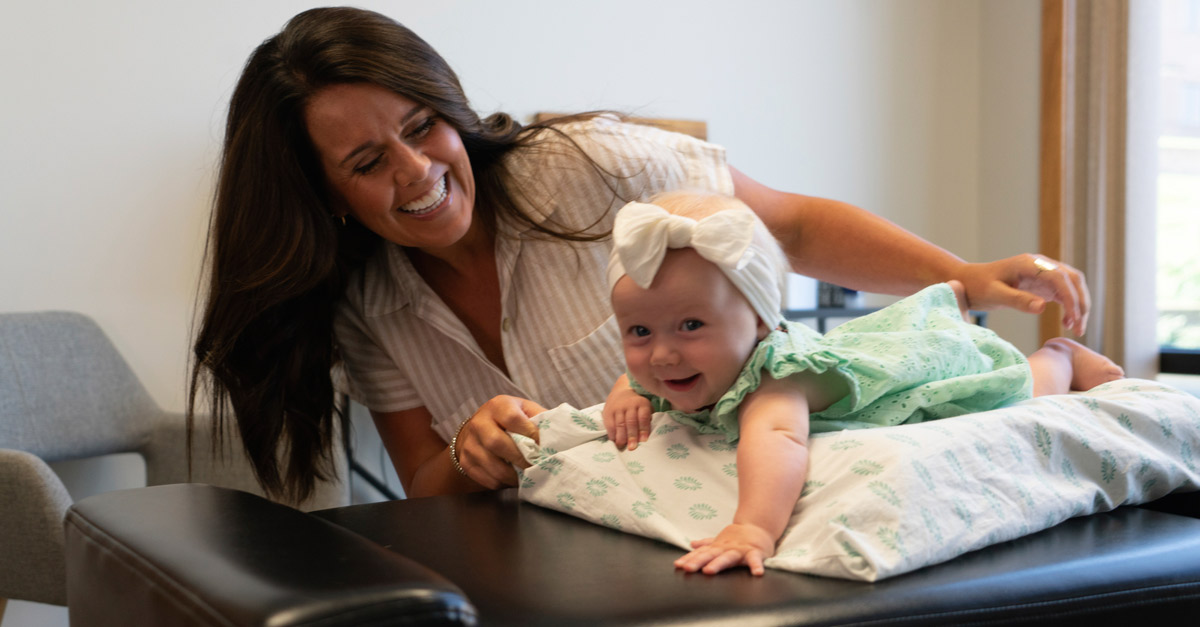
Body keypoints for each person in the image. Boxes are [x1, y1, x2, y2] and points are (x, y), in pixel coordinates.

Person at [189, 6, 1092, 504]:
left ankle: (1059, 366)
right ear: (325, 195)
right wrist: (470, 453)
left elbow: (795, 230)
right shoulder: (366, 305)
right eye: (367, 163)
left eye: (423, 126)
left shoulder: (591, 166)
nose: (420, 171)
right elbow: (426, 485)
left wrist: (965, 277)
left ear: (448, 107)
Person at [601, 191, 1123, 576]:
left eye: (692, 326)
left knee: (1016, 390)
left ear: (761, 323)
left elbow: (777, 439)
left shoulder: (776, 382)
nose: (663, 354)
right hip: (867, 346)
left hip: (918, 370)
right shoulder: (677, 362)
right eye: (639, 331)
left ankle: (1061, 355)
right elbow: (643, 372)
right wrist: (626, 391)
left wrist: (752, 527)